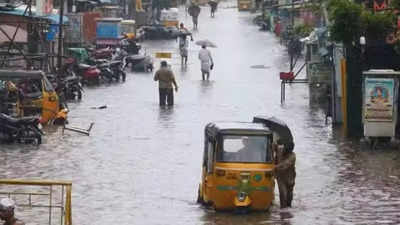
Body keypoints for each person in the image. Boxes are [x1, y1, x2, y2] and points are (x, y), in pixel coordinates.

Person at [274, 140, 296, 208]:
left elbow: (284, 165)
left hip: (290, 177)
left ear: (290, 150)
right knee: (283, 194)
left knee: (289, 197)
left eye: (286, 150)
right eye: (284, 148)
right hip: (280, 177)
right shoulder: (280, 149)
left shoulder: (292, 156)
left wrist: (274, 167)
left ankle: (288, 209)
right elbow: (274, 146)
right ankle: (283, 210)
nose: (284, 150)